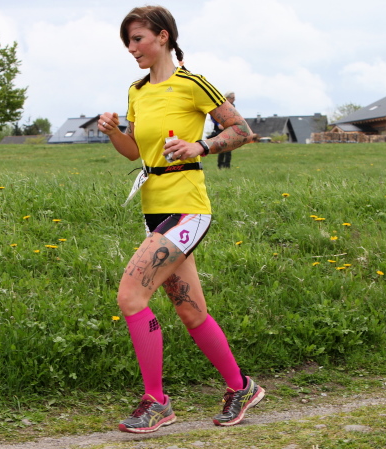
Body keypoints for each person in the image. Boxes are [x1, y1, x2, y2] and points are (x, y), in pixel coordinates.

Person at [98, 5, 263, 435]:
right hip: (154, 210)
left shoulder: (192, 84)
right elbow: (135, 152)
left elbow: (241, 130)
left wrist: (200, 147)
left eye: (138, 39)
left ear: (163, 36)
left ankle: (156, 402)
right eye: (127, 42)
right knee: (191, 312)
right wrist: (114, 132)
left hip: (188, 208)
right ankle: (241, 387)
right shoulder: (136, 91)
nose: (131, 48)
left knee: (131, 296)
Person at [209, 91, 236, 169]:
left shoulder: (233, 106)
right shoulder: (220, 104)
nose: (234, 99)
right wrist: (218, 124)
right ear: (227, 98)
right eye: (233, 98)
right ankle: (220, 165)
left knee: (229, 148)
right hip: (220, 129)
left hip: (229, 128)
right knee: (222, 148)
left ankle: (227, 166)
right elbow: (213, 115)